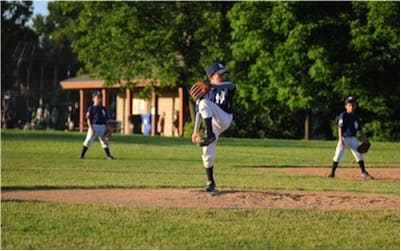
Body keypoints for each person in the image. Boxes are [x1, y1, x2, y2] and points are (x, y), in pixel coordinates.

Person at [192, 62, 235, 192]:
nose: (223, 76)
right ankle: (210, 181)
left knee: (204, 103)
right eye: (220, 74)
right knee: (206, 153)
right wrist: (195, 131)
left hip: (225, 117)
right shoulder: (204, 94)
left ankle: (209, 134)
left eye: (223, 74)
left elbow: (232, 85)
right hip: (213, 124)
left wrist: (211, 85)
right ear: (211, 75)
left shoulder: (225, 86)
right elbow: (200, 111)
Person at [328, 96, 373, 179]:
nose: (351, 107)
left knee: (359, 155)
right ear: (346, 106)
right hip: (344, 138)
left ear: (355, 106)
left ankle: (363, 172)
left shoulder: (356, 117)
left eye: (353, 105)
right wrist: (340, 139)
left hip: (353, 139)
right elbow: (340, 127)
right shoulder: (343, 115)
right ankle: (332, 173)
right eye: (349, 105)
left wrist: (365, 140)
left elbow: (360, 130)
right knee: (338, 155)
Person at [80, 91, 114, 160]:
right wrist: (91, 128)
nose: (99, 99)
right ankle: (82, 155)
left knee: (105, 141)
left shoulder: (103, 108)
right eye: (97, 98)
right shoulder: (91, 108)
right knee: (88, 140)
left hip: (102, 126)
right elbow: (88, 119)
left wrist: (108, 127)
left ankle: (108, 156)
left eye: (100, 98)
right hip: (94, 126)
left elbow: (106, 119)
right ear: (93, 99)